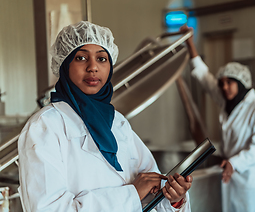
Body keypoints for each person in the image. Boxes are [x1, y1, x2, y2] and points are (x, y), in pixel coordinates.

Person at [18, 21, 192, 212]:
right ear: (65, 65)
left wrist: (173, 198)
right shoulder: (45, 126)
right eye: (81, 58)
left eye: (101, 59)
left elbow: (151, 191)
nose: (93, 67)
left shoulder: (118, 123)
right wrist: (131, 194)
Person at [180, 25, 255, 212]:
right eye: (222, 83)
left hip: (251, 176)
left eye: (229, 83)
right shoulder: (227, 101)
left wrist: (236, 162)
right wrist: (189, 42)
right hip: (231, 175)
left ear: (241, 83)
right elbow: (204, 77)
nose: (224, 87)